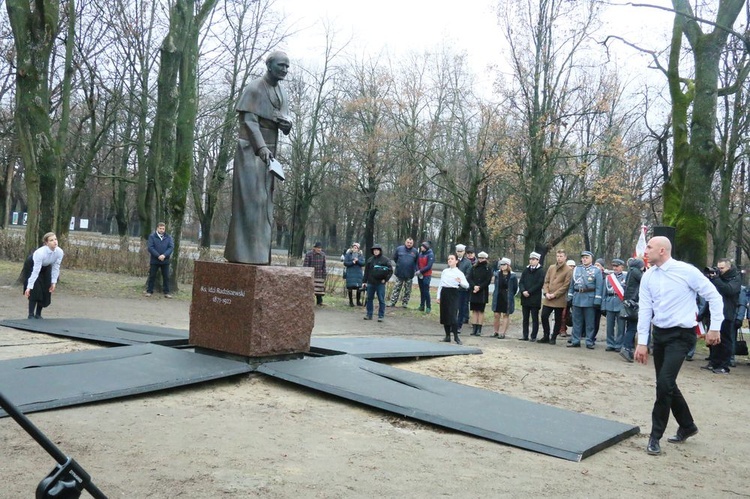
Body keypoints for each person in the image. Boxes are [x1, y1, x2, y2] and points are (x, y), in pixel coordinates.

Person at [635, 236, 723, 456]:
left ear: (662, 251)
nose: (645, 251)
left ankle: (655, 437)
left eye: (649, 247)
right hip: (661, 335)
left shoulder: (687, 272)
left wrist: (715, 327)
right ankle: (687, 425)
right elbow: (645, 310)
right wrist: (642, 342)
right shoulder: (648, 277)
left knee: (664, 384)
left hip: (682, 335)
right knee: (667, 383)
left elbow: (714, 296)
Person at [225, 51, 292, 264]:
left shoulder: (282, 92)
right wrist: (261, 149)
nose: (285, 70)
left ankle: (259, 256)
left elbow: (281, 119)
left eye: (287, 67)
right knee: (251, 203)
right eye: (281, 65)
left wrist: (286, 125)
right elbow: (250, 122)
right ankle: (243, 255)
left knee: (265, 205)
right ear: (269, 65)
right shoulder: (254, 89)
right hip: (250, 152)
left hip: (269, 154)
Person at [702, 259, 741, 373]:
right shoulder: (719, 277)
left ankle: (724, 365)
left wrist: (716, 279)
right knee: (714, 339)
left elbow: (728, 290)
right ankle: (714, 362)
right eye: (718, 268)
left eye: (722, 268)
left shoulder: (735, 278)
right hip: (714, 312)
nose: (719, 270)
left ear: (729, 267)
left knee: (725, 340)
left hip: (727, 312)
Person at [22, 232, 64, 319]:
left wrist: (53, 282)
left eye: (55, 239)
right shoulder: (40, 253)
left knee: (46, 288)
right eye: (51, 240)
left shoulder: (59, 252)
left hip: (46, 266)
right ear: (46, 243)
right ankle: (30, 315)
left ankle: (38, 314)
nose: (54, 242)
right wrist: (29, 286)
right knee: (35, 290)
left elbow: (56, 267)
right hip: (33, 266)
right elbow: (35, 271)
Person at [566, 250, 603, 349]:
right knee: (576, 321)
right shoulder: (577, 269)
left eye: (586, 257)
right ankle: (575, 340)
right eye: (583, 257)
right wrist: (570, 296)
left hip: (589, 298)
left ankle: (589, 341)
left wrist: (597, 300)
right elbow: (572, 285)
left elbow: (599, 287)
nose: (584, 259)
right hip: (577, 297)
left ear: (591, 259)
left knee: (590, 322)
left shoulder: (596, 270)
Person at [540, 249, 573, 345]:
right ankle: (546, 335)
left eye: (561, 256)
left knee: (558, 319)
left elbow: (566, 286)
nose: (559, 258)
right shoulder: (551, 267)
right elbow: (546, 281)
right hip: (548, 297)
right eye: (558, 256)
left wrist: (555, 294)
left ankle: (554, 336)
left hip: (559, 298)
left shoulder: (568, 270)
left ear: (565, 257)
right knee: (544, 316)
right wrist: (546, 293)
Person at [437, 254, 470, 344]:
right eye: (448, 259)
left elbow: (466, 285)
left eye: (452, 259)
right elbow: (441, 284)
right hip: (444, 292)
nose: (450, 260)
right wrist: (438, 296)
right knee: (445, 314)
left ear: (456, 261)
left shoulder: (459, 273)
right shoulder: (445, 271)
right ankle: (447, 336)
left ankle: (456, 337)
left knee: (452, 315)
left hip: (453, 292)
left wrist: (460, 282)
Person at [619, 257, 645, 363]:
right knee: (632, 328)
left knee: (630, 327)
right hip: (634, 303)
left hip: (629, 303)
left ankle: (628, 348)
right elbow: (645, 280)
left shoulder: (630, 272)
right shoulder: (636, 272)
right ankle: (626, 348)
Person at [518, 251, 545, 341]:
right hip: (525, 298)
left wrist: (529, 291)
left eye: (533, 259)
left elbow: (539, 284)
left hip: (534, 298)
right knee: (525, 318)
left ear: (538, 260)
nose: (531, 261)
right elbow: (521, 282)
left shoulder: (541, 271)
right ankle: (525, 335)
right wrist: (523, 290)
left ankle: (533, 336)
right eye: (530, 259)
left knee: (534, 318)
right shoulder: (526, 270)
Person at [602, 258, 627, 352]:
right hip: (609, 303)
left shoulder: (626, 277)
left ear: (622, 267)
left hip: (620, 303)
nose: (615, 268)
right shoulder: (609, 278)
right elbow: (604, 292)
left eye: (617, 266)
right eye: (614, 266)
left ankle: (619, 344)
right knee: (609, 326)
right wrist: (603, 306)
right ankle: (610, 344)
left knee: (621, 327)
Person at [363, 244, 393, 322]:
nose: (375, 251)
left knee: (381, 300)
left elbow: (390, 271)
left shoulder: (385, 260)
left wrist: (385, 279)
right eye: (374, 250)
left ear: (380, 251)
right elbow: (366, 272)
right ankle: (369, 314)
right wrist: (364, 281)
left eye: (377, 250)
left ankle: (381, 316)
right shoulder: (370, 260)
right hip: (370, 282)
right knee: (369, 299)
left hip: (380, 283)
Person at [491, 257, 518, 339]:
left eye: (504, 264)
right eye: (501, 264)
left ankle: (502, 332)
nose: (502, 266)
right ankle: (495, 331)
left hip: (507, 297)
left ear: (508, 265)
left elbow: (515, 288)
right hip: (498, 296)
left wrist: (510, 295)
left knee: (505, 314)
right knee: (496, 314)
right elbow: (495, 285)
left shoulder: (513, 276)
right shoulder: (497, 274)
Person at [145, 222, 174, 298]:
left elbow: (171, 247)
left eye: (163, 229)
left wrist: (164, 255)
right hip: (155, 260)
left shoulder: (168, 237)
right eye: (160, 228)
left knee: (166, 277)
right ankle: (149, 291)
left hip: (165, 260)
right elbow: (150, 247)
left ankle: (166, 292)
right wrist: (158, 256)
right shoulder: (152, 236)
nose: (162, 230)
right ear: (157, 228)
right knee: (152, 276)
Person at [468, 251, 493, 336]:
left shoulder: (488, 268)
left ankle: (479, 329)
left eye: (483, 258)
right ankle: (474, 328)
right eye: (480, 258)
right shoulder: (474, 267)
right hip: (474, 291)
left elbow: (488, 280)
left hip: (482, 292)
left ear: (486, 259)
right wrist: (474, 286)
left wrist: (479, 287)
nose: (481, 260)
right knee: (474, 311)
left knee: (481, 311)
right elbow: (469, 278)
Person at [390, 238, 419, 308]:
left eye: (410, 243)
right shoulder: (399, 249)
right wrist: (400, 265)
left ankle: (405, 303)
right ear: (405, 242)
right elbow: (395, 258)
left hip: (409, 274)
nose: (409, 244)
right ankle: (392, 302)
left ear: (413, 243)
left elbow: (416, 262)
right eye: (408, 242)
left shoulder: (415, 251)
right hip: (399, 273)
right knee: (396, 288)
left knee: (407, 290)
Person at [456, 244, 475, 330]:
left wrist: (460, 281)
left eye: (461, 251)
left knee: (462, 306)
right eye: (458, 251)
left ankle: (460, 323)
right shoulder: (453, 260)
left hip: (463, 288)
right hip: (453, 287)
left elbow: (468, 274)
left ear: (464, 252)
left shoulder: (467, 262)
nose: (459, 253)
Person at [304, 242, 327, 306]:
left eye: (320, 248)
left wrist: (324, 275)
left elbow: (324, 266)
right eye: (318, 248)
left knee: (319, 288)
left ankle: (319, 302)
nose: (319, 249)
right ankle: (308, 301)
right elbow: (305, 265)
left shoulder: (323, 255)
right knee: (310, 288)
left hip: (319, 274)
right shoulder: (309, 254)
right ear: (314, 248)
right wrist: (306, 274)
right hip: (311, 274)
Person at [343, 242, 365, 307]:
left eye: (356, 248)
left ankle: (358, 301)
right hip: (350, 273)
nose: (355, 249)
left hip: (358, 274)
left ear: (358, 249)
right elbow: (345, 263)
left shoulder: (360, 255)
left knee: (359, 288)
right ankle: (351, 302)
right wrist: (352, 262)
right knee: (350, 287)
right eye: (354, 247)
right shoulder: (348, 254)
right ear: (352, 248)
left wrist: (357, 261)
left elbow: (363, 263)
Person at [416, 241, 435, 314]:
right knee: (421, 290)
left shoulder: (430, 255)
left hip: (426, 275)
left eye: (423, 246)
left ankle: (428, 306)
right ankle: (422, 305)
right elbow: (417, 263)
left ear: (426, 247)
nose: (421, 248)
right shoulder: (420, 254)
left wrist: (420, 271)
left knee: (426, 291)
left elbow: (429, 266)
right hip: (420, 275)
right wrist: (418, 270)